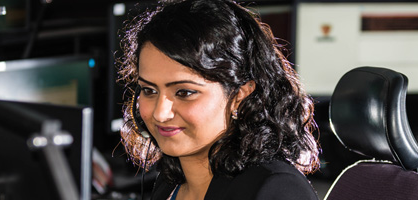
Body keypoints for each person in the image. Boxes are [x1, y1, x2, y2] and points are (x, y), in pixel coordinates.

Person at [117, 0, 321, 199]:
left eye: (184, 93)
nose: (160, 113)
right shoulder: (171, 182)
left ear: (239, 95)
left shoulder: (276, 189)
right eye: (149, 90)